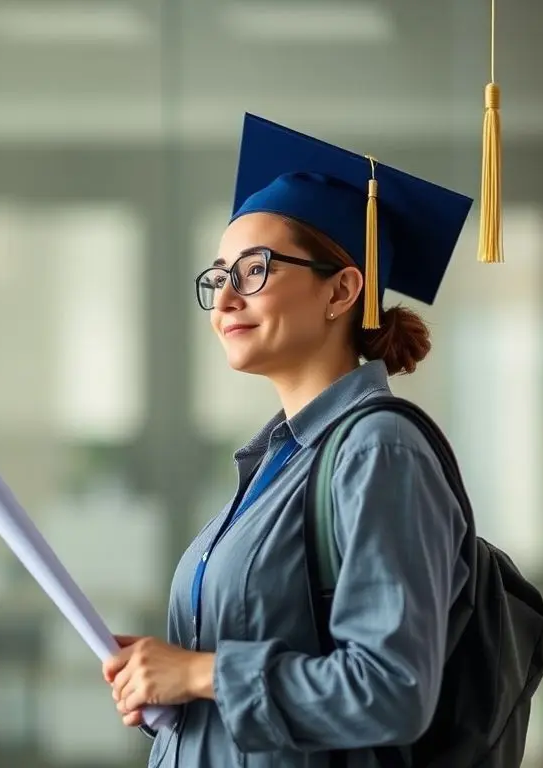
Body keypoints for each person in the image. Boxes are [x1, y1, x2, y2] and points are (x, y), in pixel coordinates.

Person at [102, 113, 474, 768]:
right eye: (218, 277)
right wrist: (166, 684)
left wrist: (201, 673)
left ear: (342, 290)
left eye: (254, 271)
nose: (223, 303)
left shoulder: (377, 450)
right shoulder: (278, 462)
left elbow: (393, 691)